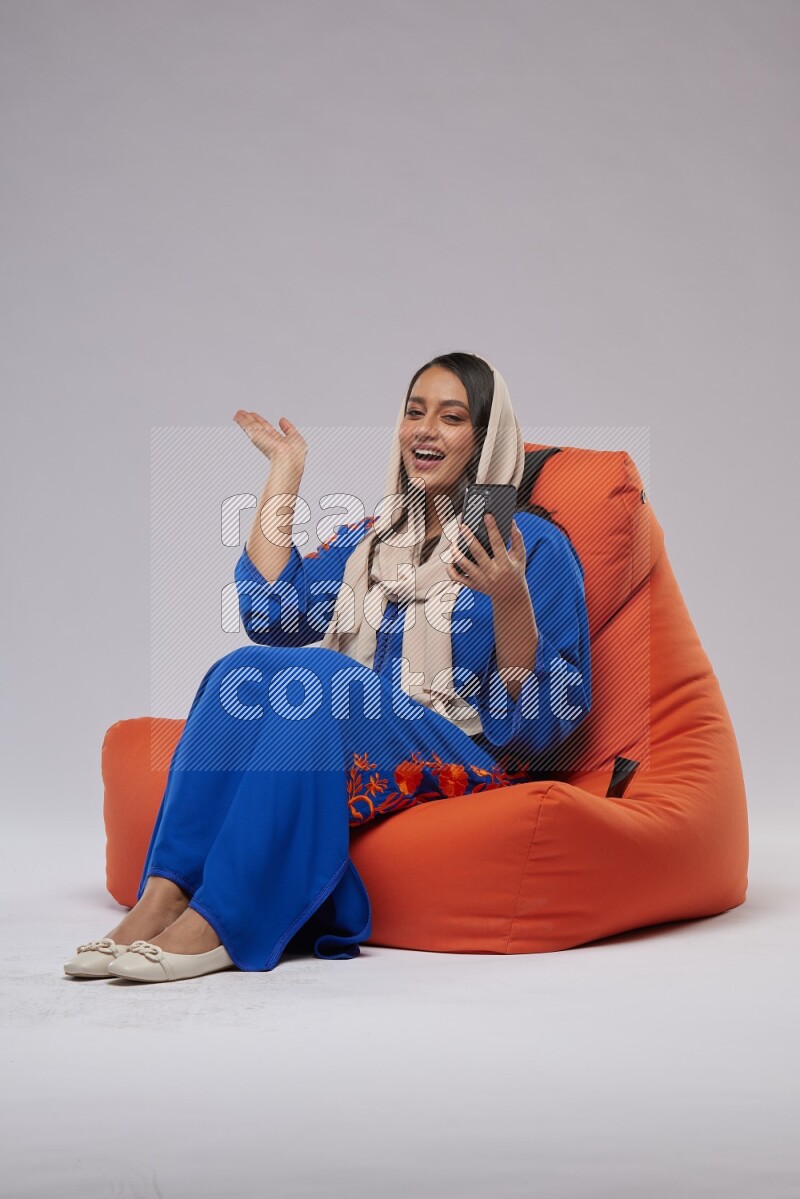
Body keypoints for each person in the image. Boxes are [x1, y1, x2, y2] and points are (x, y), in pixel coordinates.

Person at [63, 351, 591, 984]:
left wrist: (509, 603)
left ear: (484, 439)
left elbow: (542, 729)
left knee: (324, 680)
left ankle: (225, 921)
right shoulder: (369, 540)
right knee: (241, 670)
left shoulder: (531, 547)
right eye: (413, 412)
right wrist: (286, 473)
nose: (425, 430)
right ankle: (163, 898)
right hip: (355, 721)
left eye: (451, 418)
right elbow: (271, 614)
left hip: (464, 754)